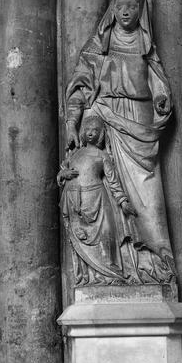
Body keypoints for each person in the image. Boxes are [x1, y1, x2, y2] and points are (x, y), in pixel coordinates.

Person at [65, 0, 176, 283]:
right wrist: (73, 123)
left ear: (142, 12)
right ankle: (113, 266)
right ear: (112, 11)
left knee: (147, 196)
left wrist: (161, 99)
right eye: (120, 5)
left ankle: (153, 263)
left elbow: (158, 82)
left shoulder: (144, 42)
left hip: (138, 122)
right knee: (103, 190)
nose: (126, 11)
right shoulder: (97, 45)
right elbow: (80, 87)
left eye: (132, 6)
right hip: (102, 116)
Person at [58, 114, 136, 285]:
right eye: (88, 130)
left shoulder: (102, 156)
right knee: (81, 238)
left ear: (101, 134)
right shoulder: (75, 155)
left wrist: (123, 201)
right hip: (76, 201)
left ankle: (110, 273)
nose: (91, 133)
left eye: (95, 130)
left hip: (99, 201)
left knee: (108, 233)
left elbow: (113, 180)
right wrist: (63, 174)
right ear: (83, 133)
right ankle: (90, 277)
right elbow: (62, 174)